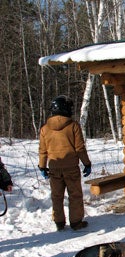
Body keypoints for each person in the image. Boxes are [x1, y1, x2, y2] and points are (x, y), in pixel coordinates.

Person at [38, 95, 92, 231]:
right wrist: (87, 163)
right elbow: (80, 148)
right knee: (75, 195)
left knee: (56, 196)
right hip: (71, 168)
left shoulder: (45, 129)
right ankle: (76, 222)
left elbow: (42, 151)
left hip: (54, 168)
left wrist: (42, 166)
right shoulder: (73, 126)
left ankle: (59, 222)